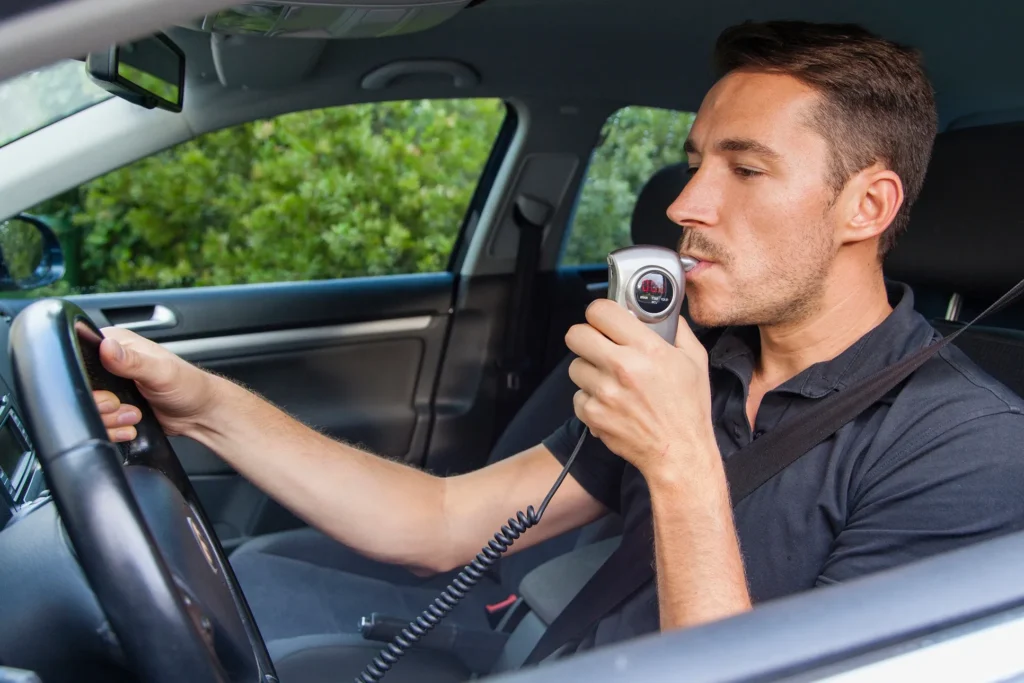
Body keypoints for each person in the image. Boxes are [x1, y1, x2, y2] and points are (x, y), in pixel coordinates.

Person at [92, 19, 1024, 662]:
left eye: (745, 168)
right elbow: (442, 525)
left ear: (867, 205)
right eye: (697, 161)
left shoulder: (967, 447)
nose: (686, 205)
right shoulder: (698, 366)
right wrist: (206, 408)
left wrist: (682, 464)